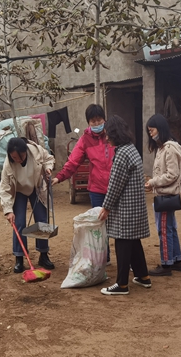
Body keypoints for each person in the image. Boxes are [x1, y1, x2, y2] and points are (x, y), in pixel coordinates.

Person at [51, 104, 114, 262]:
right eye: (93, 121)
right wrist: (59, 177)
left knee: (121, 224)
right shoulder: (85, 140)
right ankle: (103, 257)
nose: (97, 124)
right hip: (97, 190)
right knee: (99, 225)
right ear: (88, 123)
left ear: (104, 119)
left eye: (99, 120)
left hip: (116, 188)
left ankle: (127, 258)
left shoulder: (113, 134)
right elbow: (73, 162)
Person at [98, 115, 151, 295]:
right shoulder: (131, 149)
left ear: (115, 134)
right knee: (133, 240)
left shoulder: (121, 154)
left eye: (108, 134)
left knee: (122, 242)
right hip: (135, 205)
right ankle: (143, 276)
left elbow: (115, 185)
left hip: (126, 208)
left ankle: (121, 284)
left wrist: (106, 207)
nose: (106, 138)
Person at [0, 137, 55, 272]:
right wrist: (8, 210)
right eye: (14, 157)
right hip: (19, 191)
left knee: (42, 220)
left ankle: (43, 255)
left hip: (36, 187)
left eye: (21, 157)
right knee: (19, 223)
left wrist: (48, 168)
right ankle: (19, 258)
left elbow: (49, 159)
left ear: (26, 151)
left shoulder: (36, 151)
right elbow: (4, 188)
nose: (18, 160)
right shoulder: (8, 165)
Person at [144, 114, 181, 276]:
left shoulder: (169, 149)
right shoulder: (165, 148)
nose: (151, 134)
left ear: (160, 129)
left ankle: (166, 264)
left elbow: (172, 174)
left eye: (152, 130)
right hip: (166, 195)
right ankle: (176, 260)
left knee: (164, 230)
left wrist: (153, 182)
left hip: (166, 196)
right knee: (170, 229)